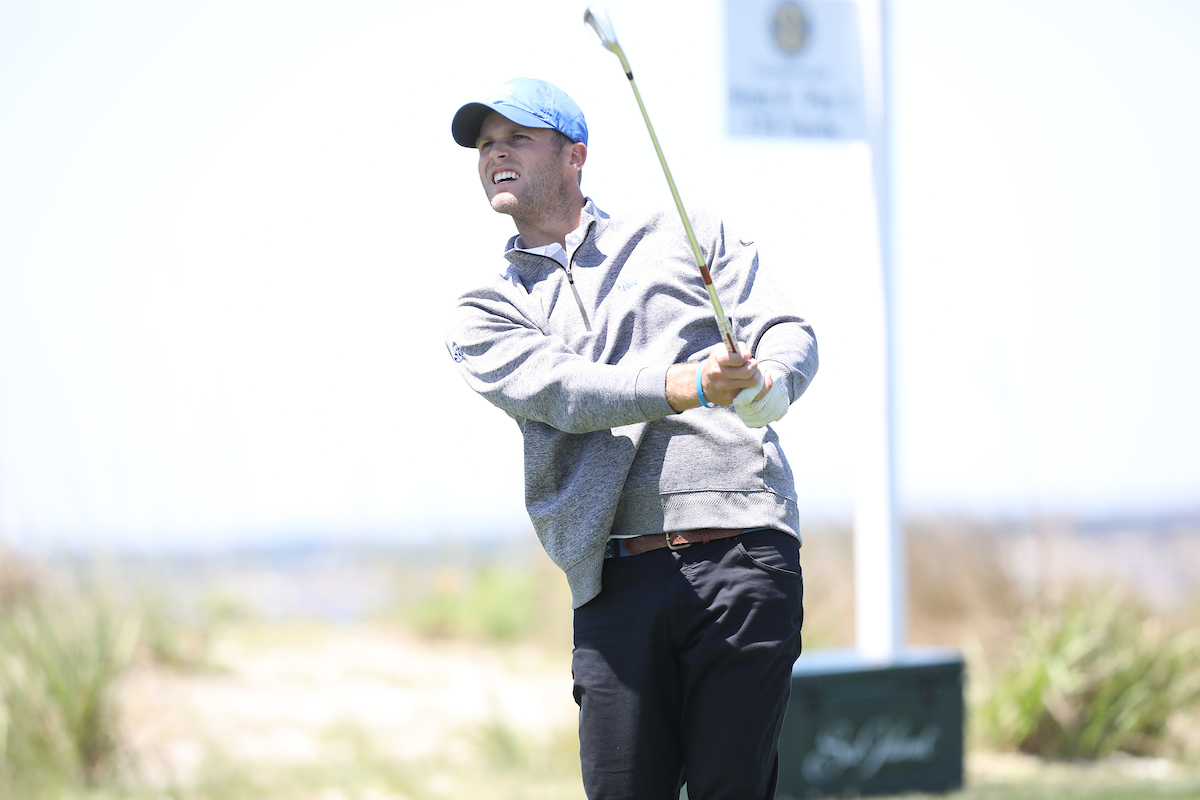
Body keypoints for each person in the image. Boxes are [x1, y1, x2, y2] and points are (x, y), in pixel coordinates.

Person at [445, 77, 818, 800]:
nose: (496, 155)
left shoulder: (685, 233)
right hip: (614, 578)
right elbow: (564, 390)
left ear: (573, 155)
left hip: (742, 548)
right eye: (486, 145)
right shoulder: (484, 309)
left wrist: (771, 382)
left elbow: (785, 330)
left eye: (516, 137)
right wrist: (685, 383)